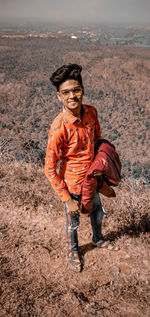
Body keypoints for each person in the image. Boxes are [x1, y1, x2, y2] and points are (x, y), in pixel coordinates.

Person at [45, 64, 113, 273]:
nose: (72, 96)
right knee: (73, 224)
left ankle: (98, 239)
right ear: (59, 96)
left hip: (93, 180)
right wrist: (66, 198)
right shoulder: (59, 127)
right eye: (65, 92)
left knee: (97, 214)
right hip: (72, 186)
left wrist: (103, 163)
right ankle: (73, 250)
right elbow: (49, 168)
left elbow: (98, 140)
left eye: (76, 90)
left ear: (82, 90)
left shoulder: (92, 113)